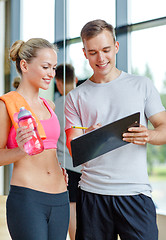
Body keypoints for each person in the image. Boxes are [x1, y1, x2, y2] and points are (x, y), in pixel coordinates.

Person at [65, 19, 166, 240]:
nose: (100, 58)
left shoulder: (142, 85)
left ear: (116, 47)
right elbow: (74, 150)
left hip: (135, 193)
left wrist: (148, 135)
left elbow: (164, 128)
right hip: (92, 196)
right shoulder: (75, 97)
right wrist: (90, 139)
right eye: (92, 52)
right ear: (84, 53)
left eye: (106, 50)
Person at [0, 38, 69, 240]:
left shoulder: (50, 106)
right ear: (24, 65)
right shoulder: (6, 105)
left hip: (60, 197)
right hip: (28, 198)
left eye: (54, 68)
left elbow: (51, 150)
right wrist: (21, 149)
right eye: (46, 67)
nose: (51, 74)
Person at [55, 63, 82, 240]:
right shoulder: (84, 100)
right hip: (86, 165)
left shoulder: (56, 104)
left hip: (66, 165)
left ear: (57, 82)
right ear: (76, 79)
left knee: (71, 208)